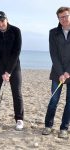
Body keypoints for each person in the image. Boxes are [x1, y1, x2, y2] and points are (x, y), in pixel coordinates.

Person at [0, 11, 24, 130]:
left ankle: (19, 119)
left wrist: (9, 72)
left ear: (6, 19)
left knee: (17, 93)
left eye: (2, 21)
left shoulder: (16, 31)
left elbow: (16, 52)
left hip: (14, 67)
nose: (1, 24)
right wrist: (2, 72)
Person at [42, 7, 70, 138]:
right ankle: (48, 125)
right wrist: (61, 73)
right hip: (57, 73)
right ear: (58, 19)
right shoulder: (53, 32)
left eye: (66, 16)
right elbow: (53, 54)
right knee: (54, 100)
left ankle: (64, 128)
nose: (64, 19)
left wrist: (68, 72)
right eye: (61, 17)